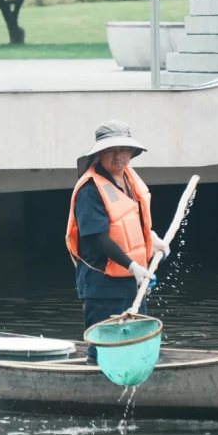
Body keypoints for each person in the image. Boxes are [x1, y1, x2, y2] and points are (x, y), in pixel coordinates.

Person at [65, 121, 170, 363]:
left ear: (131, 152)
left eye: (123, 150)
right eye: (111, 150)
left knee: (134, 340)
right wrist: (133, 267)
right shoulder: (90, 189)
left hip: (133, 281)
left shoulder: (130, 179)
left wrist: (153, 240)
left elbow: (134, 220)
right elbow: (98, 237)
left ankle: (131, 377)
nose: (118, 156)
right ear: (99, 154)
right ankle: (97, 379)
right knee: (104, 348)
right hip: (103, 283)